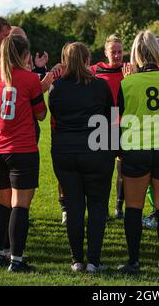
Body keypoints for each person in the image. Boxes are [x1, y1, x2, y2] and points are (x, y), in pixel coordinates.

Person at [117, 30, 159, 273]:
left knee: (134, 207)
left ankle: (134, 261)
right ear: (156, 52)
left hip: (137, 148)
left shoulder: (127, 82)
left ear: (135, 54)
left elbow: (120, 113)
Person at [0, 34, 51, 273]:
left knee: (1, 204)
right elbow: (41, 114)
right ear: (24, 55)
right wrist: (41, 89)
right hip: (21, 149)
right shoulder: (29, 78)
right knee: (20, 206)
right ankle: (17, 260)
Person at [49, 42, 115, 273]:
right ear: (87, 60)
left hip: (65, 152)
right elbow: (110, 117)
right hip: (95, 150)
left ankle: (77, 260)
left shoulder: (56, 87)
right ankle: (94, 261)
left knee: (74, 206)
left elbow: (55, 115)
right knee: (97, 206)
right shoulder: (100, 85)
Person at [90, 34, 125, 219]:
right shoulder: (95, 70)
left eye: (120, 51)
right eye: (113, 52)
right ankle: (102, 208)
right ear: (106, 52)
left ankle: (119, 207)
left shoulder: (129, 70)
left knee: (124, 170)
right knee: (104, 171)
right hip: (103, 125)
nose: (117, 55)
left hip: (125, 124)